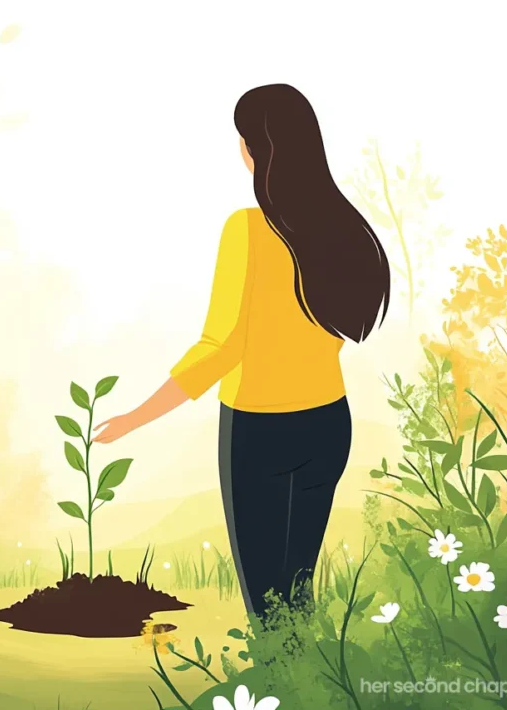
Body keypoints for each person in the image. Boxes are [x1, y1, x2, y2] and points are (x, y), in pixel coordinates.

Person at [92, 84, 390, 621]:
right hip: (327, 424)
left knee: (268, 604)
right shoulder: (344, 228)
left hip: (261, 432)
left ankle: (281, 694)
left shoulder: (248, 231)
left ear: (257, 150)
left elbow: (221, 347)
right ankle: (314, 692)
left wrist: (137, 416)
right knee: (298, 592)